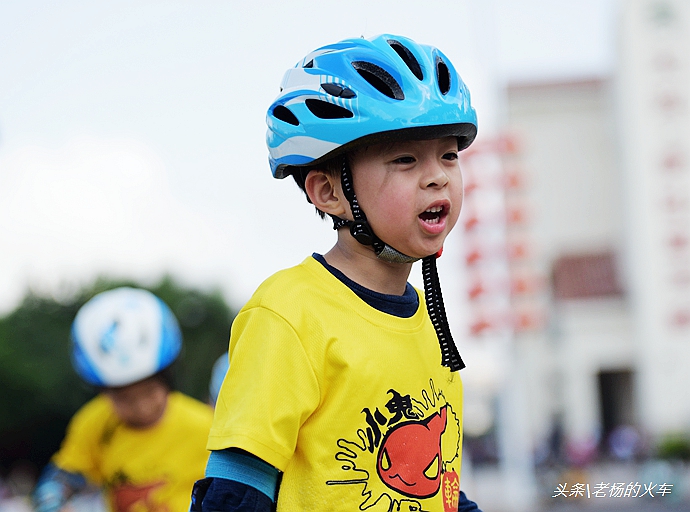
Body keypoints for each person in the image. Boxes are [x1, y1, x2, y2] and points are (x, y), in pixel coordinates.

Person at [191, 34, 482, 512]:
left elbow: (440, 487)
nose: (438, 176)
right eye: (405, 159)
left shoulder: (429, 323)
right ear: (328, 192)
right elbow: (236, 490)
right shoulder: (288, 313)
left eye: (449, 155)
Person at [32, 287, 214, 512]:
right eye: (124, 398)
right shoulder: (95, 422)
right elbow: (63, 477)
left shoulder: (206, 428)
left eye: (149, 391)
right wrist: (52, 500)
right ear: (103, 391)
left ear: (168, 377)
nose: (141, 406)